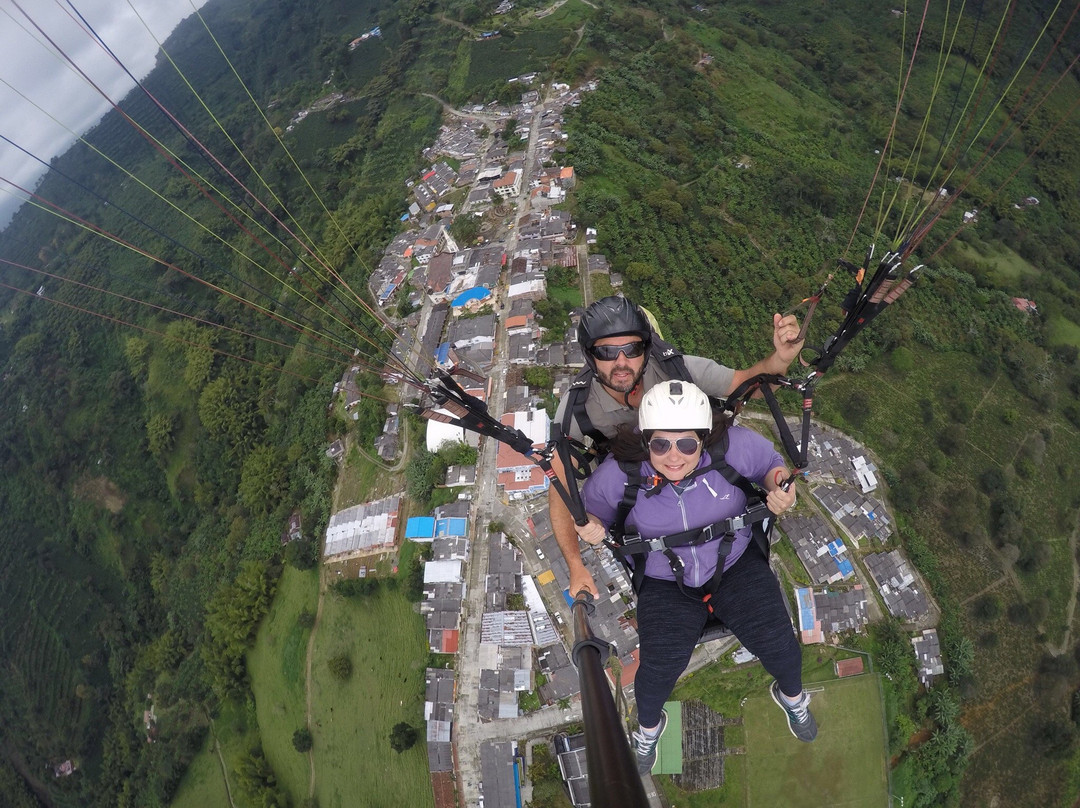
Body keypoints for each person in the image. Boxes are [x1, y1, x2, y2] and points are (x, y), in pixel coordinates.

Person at [573, 380, 817, 773]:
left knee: (783, 650)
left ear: (703, 438)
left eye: (686, 445)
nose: (673, 458)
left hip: (734, 564)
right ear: (645, 439)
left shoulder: (733, 448)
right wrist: (592, 528)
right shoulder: (618, 476)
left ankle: (793, 699)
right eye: (660, 445)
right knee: (654, 677)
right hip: (665, 581)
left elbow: (772, 468)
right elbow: (591, 512)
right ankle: (650, 730)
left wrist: (780, 490)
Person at [551, 296, 803, 600]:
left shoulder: (677, 370)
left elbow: (747, 384)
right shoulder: (577, 409)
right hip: (635, 482)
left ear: (645, 349)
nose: (620, 362)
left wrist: (781, 359)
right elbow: (559, 483)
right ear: (590, 356)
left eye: (631, 349)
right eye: (606, 352)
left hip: (692, 463)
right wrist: (576, 565)